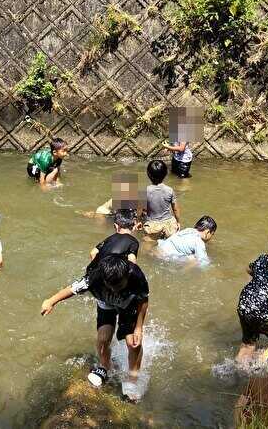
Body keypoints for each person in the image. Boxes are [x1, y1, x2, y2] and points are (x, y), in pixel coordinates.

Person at [41, 255, 150, 402]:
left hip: (128, 305)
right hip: (106, 304)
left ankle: (133, 377)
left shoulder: (135, 274)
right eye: (112, 286)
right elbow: (72, 288)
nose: (115, 290)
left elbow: (143, 300)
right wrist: (51, 301)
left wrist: (139, 327)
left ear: (127, 275)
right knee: (103, 339)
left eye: (119, 286)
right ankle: (105, 366)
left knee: (133, 343)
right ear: (104, 280)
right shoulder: (95, 277)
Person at [142, 160, 180, 242]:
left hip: (153, 225)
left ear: (148, 174)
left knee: (147, 245)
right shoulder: (170, 190)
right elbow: (175, 209)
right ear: (166, 174)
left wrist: (138, 221)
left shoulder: (146, 191)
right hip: (169, 225)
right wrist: (178, 222)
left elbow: (140, 209)